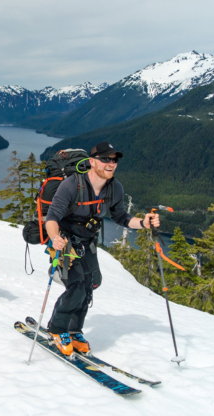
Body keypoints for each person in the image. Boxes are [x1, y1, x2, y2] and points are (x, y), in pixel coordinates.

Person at [43, 142, 160, 356]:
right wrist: (55, 237)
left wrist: (144, 223)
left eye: (114, 160)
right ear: (92, 162)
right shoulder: (72, 185)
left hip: (87, 243)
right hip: (66, 241)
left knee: (90, 285)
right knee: (77, 286)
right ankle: (57, 329)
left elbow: (121, 217)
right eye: (105, 159)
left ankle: (74, 329)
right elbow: (52, 217)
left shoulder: (114, 188)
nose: (110, 163)